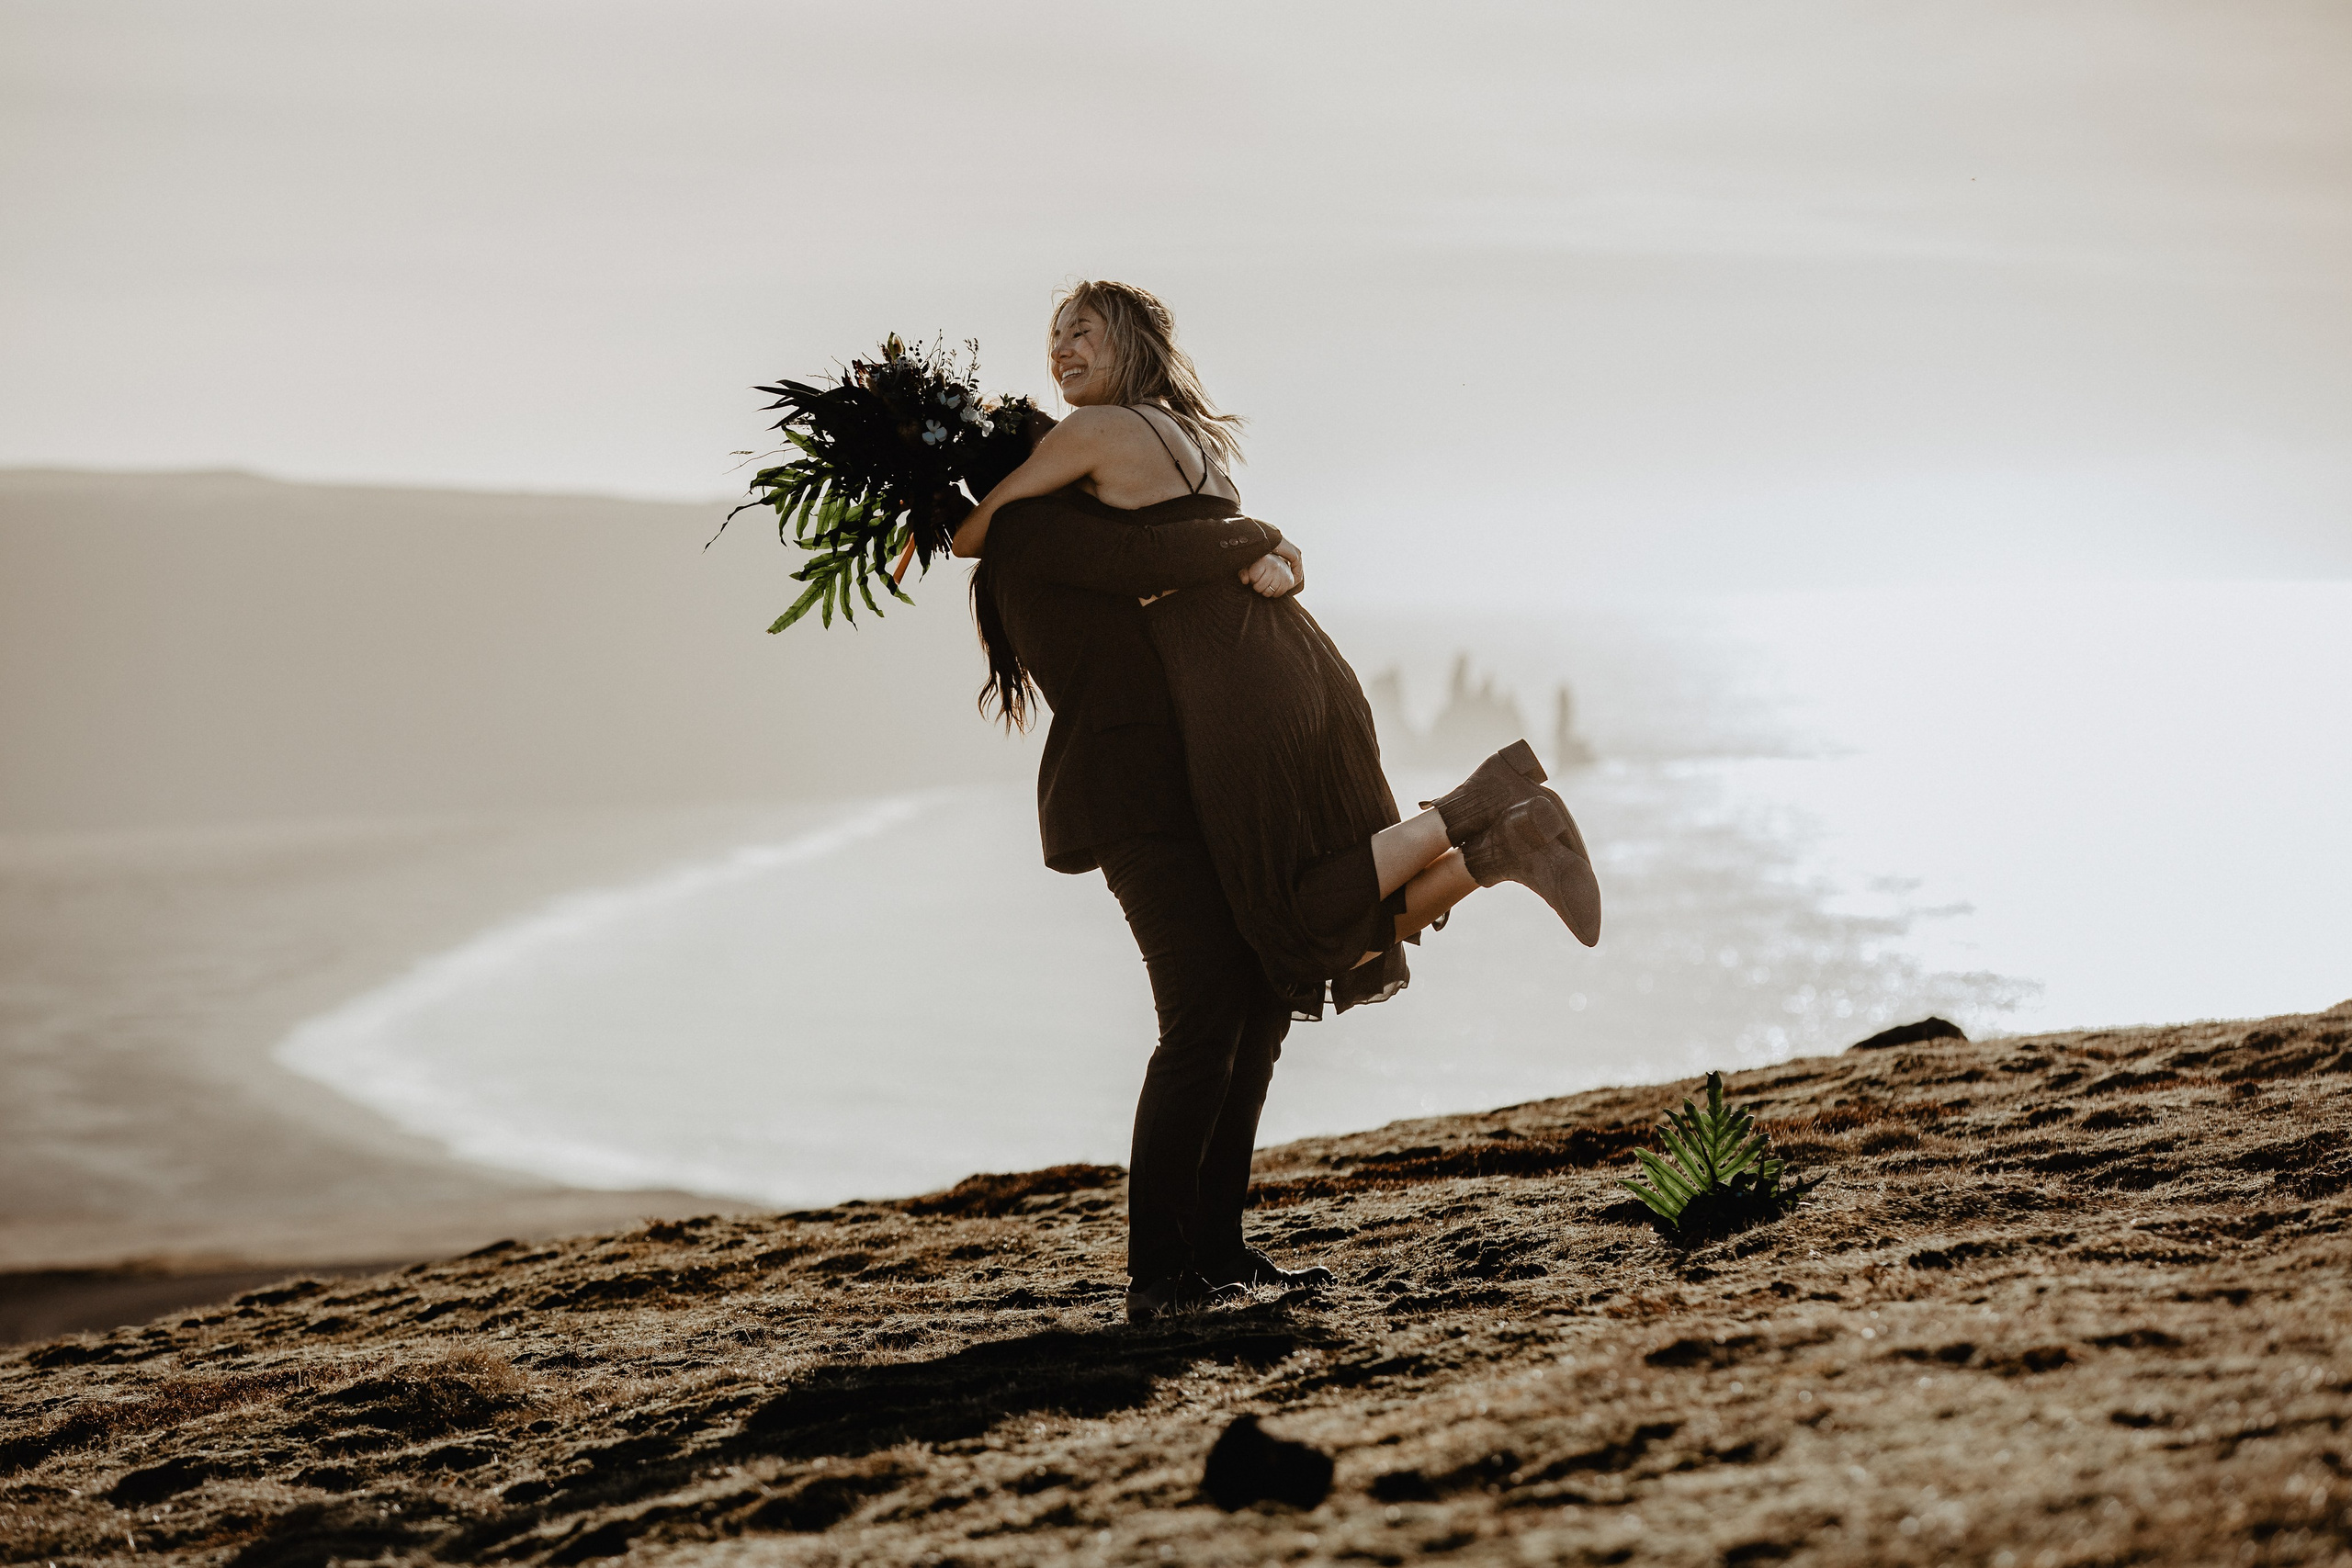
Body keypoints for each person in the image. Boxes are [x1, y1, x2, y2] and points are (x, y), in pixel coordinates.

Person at [951, 280, 1600, 1321]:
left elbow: (1163, 546)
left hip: (1188, 782)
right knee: (1203, 1015)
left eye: (1082, 334)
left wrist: (1270, 546)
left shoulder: (1071, 508)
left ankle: (1214, 1250)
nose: (1063, 452)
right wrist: (1261, 540)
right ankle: (1161, 1272)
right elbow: (1149, 553)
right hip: (1137, 804)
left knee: (1253, 1007)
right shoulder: (1037, 536)